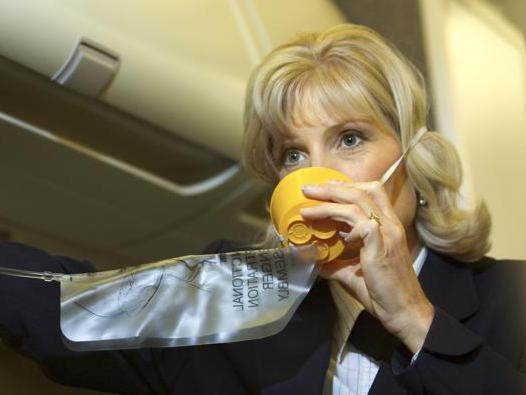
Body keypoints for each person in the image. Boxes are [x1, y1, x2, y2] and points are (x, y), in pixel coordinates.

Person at [0, 23, 524, 394]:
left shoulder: (509, 302)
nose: (318, 178)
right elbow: (68, 309)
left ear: (412, 157)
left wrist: (413, 318)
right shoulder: (238, 295)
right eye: (294, 154)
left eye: (349, 138)